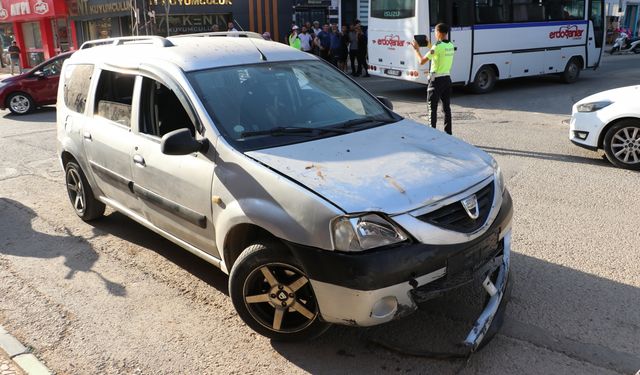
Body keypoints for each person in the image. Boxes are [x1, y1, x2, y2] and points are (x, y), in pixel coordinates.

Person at [411, 23, 455, 135]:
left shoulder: (437, 47)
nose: (435, 34)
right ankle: (448, 133)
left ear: (439, 33)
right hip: (447, 79)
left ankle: (432, 134)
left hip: (436, 82)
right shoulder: (450, 45)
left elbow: (422, 61)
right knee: (446, 109)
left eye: (435, 32)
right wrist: (429, 45)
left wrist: (416, 50)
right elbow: (437, 53)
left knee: (432, 109)